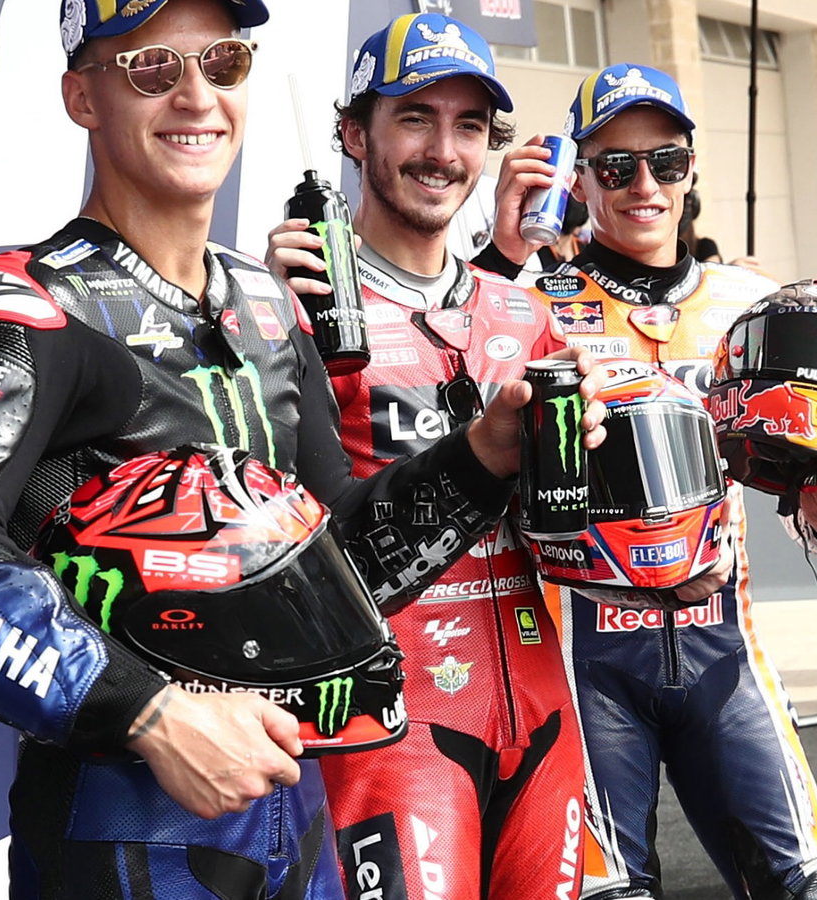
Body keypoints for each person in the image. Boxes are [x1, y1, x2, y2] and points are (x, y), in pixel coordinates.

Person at [0, 2, 600, 896]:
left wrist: (481, 455)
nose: (197, 96)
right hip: (126, 833)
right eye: (154, 68)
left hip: (295, 814)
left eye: (223, 63)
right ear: (82, 97)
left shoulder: (264, 303)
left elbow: (343, 559)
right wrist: (150, 714)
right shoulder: (30, 305)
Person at [526, 62, 817, 900]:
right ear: (579, 178)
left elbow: (814, 511)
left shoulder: (755, 306)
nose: (643, 185)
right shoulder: (526, 303)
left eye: (666, 161)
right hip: (583, 657)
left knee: (810, 888)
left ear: (691, 169)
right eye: (616, 166)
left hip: (725, 646)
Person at [264, 14, 606, 898]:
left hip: (539, 713)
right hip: (389, 728)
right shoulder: (296, 307)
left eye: (467, 126)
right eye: (415, 117)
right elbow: (281, 550)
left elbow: (571, 535)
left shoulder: (525, 312)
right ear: (355, 134)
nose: (443, 151)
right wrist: (261, 315)